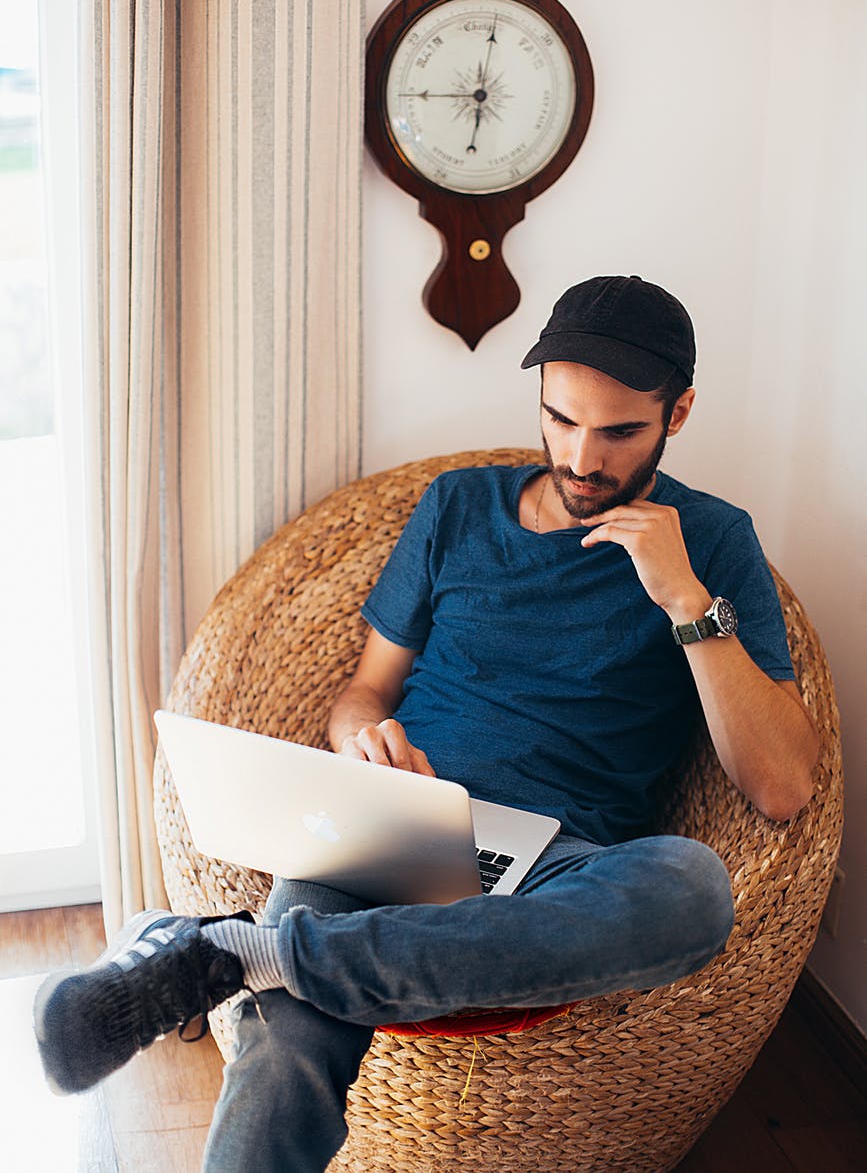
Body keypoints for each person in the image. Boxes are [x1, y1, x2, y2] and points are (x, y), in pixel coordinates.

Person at [34, 275, 818, 1172]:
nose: (581, 457)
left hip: (557, 867)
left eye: (618, 432)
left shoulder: (712, 541)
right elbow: (362, 695)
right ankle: (262, 958)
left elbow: (782, 785)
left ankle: (234, 955)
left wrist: (682, 596)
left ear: (676, 413)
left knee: (690, 889)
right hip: (398, 825)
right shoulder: (456, 507)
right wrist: (360, 741)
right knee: (287, 1046)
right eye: (559, 419)